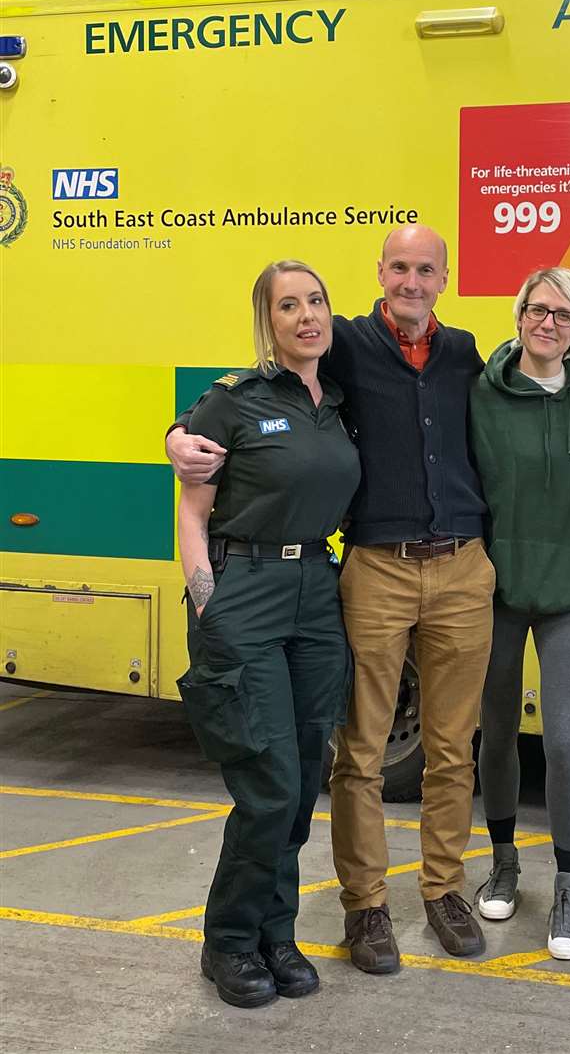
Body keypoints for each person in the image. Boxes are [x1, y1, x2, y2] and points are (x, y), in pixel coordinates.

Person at [169, 225, 496, 972]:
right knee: (340, 759)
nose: (412, 282)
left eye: (426, 269)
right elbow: (210, 442)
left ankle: (422, 895)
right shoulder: (338, 347)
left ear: (445, 276)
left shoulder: (459, 353)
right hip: (362, 572)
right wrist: (176, 434)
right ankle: (358, 909)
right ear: (380, 274)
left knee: (435, 750)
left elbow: (526, 396)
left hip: (406, 574)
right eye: (399, 268)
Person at [176, 260, 359, 1008]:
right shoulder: (233, 400)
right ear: (269, 321)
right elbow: (191, 513)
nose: (307, 316)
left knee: (304, 772)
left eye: (315, 301)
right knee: (267, 777)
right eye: (290, 306)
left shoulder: (338, 403)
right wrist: (207, 606)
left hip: (318, 587)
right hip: (245, 587)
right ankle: (227, 942)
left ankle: (275, 935)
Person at [469, 267, 570, 961]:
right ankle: (503, 860)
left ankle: (569, 883)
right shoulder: (481, 395)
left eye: (564, 314)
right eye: (537, 308)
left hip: (568, 599)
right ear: (519, 314)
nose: (548, 322)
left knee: (561, 741)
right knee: (496, 734)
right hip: (494, 594)